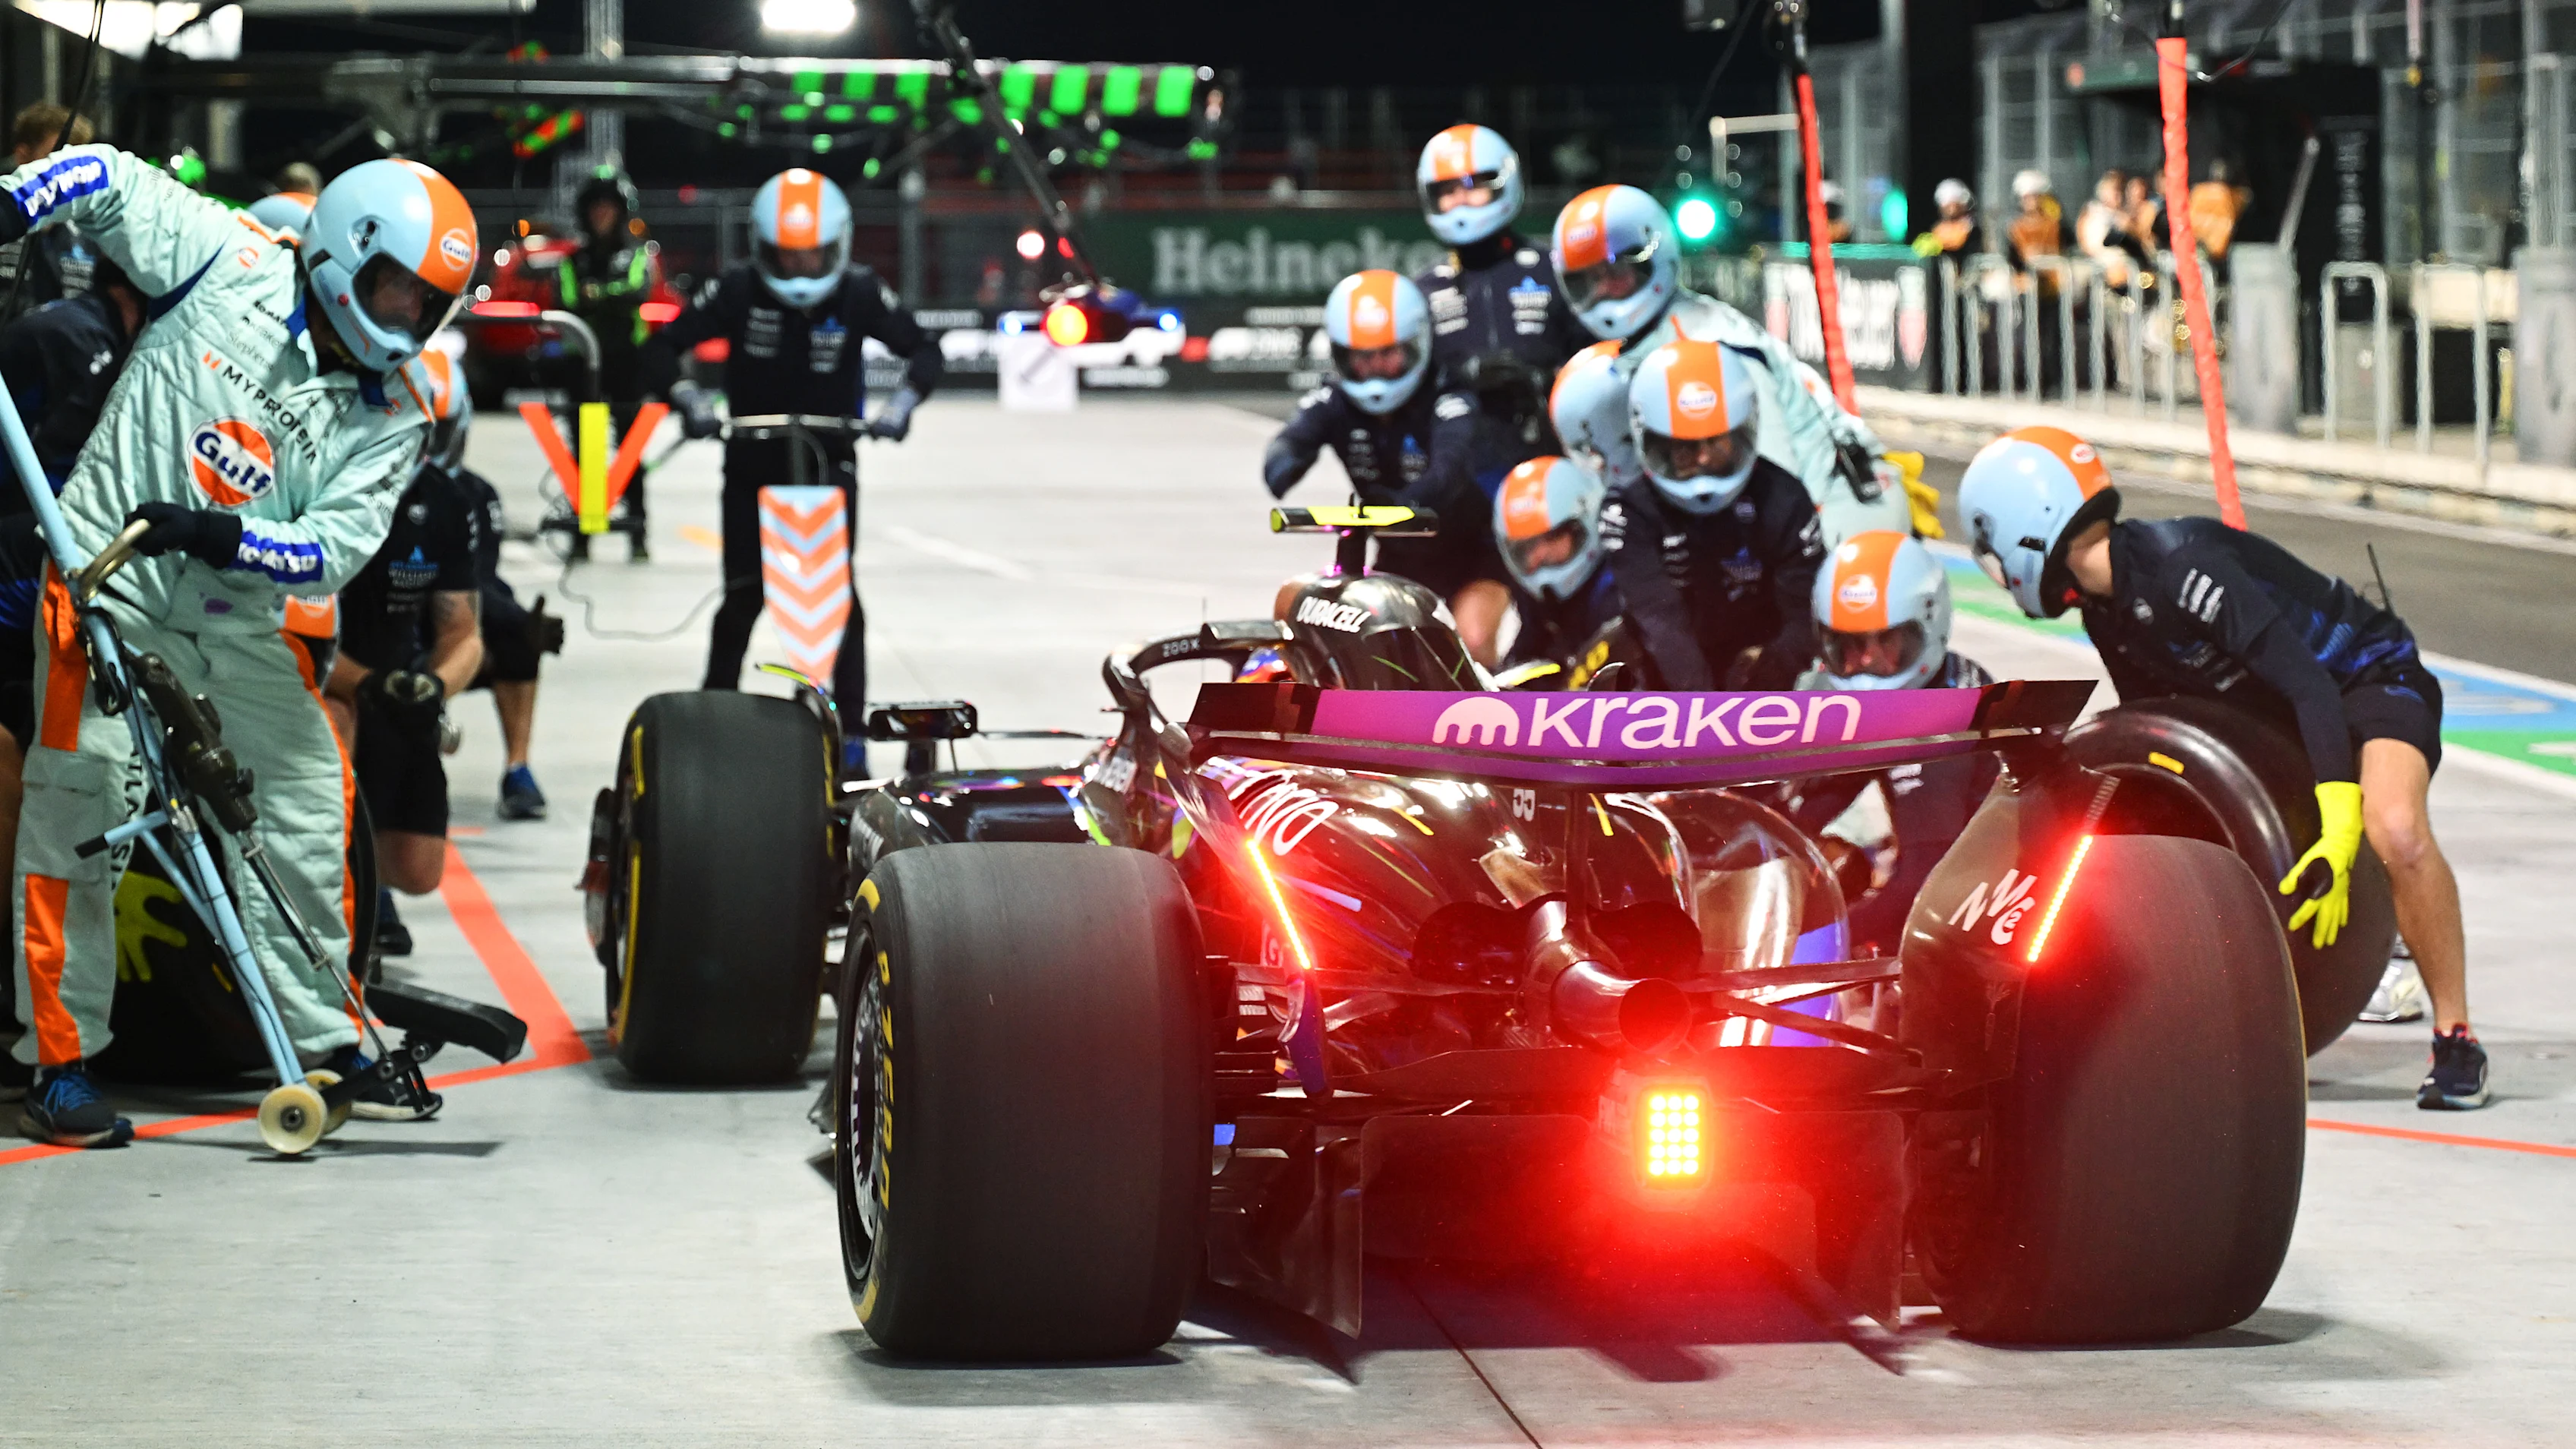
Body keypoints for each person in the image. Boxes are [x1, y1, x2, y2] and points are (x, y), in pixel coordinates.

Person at [0, 147, 467, 1147]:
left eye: (427, 308)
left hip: (235, 620)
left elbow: (333, 549)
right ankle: (59, 1061)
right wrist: (17, 202)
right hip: (103, 587)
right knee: (81, 805)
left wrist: (222, 536)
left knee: (305, 797)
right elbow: (110, 179)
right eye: (394, 291)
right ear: (350, 247)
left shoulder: (398, 411)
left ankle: (329, 1042)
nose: (404, 322)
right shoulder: (232, 256)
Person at [1958, 425, 2487, 1111]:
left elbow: (2312, 688)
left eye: (1990, 546)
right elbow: (2159, 726)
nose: (1997, 570)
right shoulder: (2106, 611)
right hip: (2281, 711)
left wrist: (2338, 824)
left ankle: (2457, 1037)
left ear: (2026, 532)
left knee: (2394, 829)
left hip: (2365, 678)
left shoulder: (2184, 568)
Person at [641, 168, 939, 718]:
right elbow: (663, 348)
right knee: (743, 596)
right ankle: (712, 721)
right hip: (752, 463)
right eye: (786, 255)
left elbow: (924, 350)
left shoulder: (860, 291)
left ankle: (851, 734)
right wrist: (688, 398)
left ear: (839, 246)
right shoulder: (737, 288)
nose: (801, 268)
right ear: (762, 248)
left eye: (813, 255)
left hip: (831, 465)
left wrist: (900, 405)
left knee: (840, 601)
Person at [1548, 184, 1915, 548]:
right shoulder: (1659, 339)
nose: (1605, 290)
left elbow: (1772, 479)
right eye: (1588, 279)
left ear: (1651, 258)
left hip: (1836, 513)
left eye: (1617, 271)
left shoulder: (1706, 344)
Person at [318, 352, 481, 1119]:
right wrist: (365, 685)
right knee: (337, 744)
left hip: (401, 685)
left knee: (419, 871)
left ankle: (370, 904)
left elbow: (464, 632)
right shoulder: (326, 483)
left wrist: (432, 685)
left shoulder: (447, 502)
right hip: (324, 678)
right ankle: (339, 938)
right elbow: (299, 623)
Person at [1262, 269, 1509, 664]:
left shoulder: (1449, 394)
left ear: (1416, 346)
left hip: (1473, 554)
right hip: (1400, 553)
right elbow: (1289, 445)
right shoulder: (1336, 399)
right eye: (1363, 357)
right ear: (1343, 355)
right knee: (1374, 651)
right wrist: (1288, 460)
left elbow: (1450, 469)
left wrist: (1402, 505)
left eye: (1389, 353)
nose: (1376, 367)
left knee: (1473, 644)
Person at [1785, 530, 1997, 958]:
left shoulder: (1943, 723)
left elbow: (1923, 887)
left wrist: (1799, 946)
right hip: (1967, 890)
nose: (1865, 663)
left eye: (1887, 643)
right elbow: (1818, 799)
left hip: (1984, 922)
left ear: (1928, 625)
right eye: (1849, 644)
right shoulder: (1926, 688)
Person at [1595, 337, 1825, 692]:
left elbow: (1806, 613)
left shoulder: (1785, 499)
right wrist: (1703, 710)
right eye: (1684, 447)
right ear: (1653, 442)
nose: (1703, 460)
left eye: (1716, 443)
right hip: (1667, 683)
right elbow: (1659, 619)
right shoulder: (1627, 512)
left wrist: (1772, 670)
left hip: (1767, 677)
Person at [1410, 125, 1589, 478]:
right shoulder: (1423, 290)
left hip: (1553, 461)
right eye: (1447, 189)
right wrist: (1463, 376)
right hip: (1458, 475)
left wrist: (1543, 381)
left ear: (1505, 183)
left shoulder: (1554, 271)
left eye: (1474, 184)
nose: (1460, 198)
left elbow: (1595, 360)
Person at [428, 369, 558, 821]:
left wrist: (522, 623)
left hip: (451, 618)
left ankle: (518, 768)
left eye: (437, 432)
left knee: (521, 640)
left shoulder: (477, 495)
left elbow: (477, 578)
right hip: (388, 617)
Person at [560, 168, 661, 560]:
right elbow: (568, 300)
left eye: (609, 208)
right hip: (583, 367)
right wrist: (607, 298)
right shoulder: (573, 261)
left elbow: (637, 292)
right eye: (596, 208)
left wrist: (598, 294)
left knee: (631, 449)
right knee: (586, 449)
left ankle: (637, 528)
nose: (603, 216)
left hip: (626, 365)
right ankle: (585, 530)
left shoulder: (637, 256)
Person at [1490, 454, 1618, 672]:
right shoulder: (1534, 597)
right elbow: (1526, 655)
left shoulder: (1617, 587)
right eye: (1526, 548)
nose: (1540, 554)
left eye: (1553, 537)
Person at [0, 106, 98, 326]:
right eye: (56, 160)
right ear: (22, 157)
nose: (69, 173)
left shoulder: (93, 233)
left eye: (76, 161)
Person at [1911, 178, 1982, 261]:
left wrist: (1938, 243)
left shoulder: (1971, 225)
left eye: (1953, 203)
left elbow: (1957, 241)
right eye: (1946, 204)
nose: (1950, 209)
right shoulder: (1939, 227)